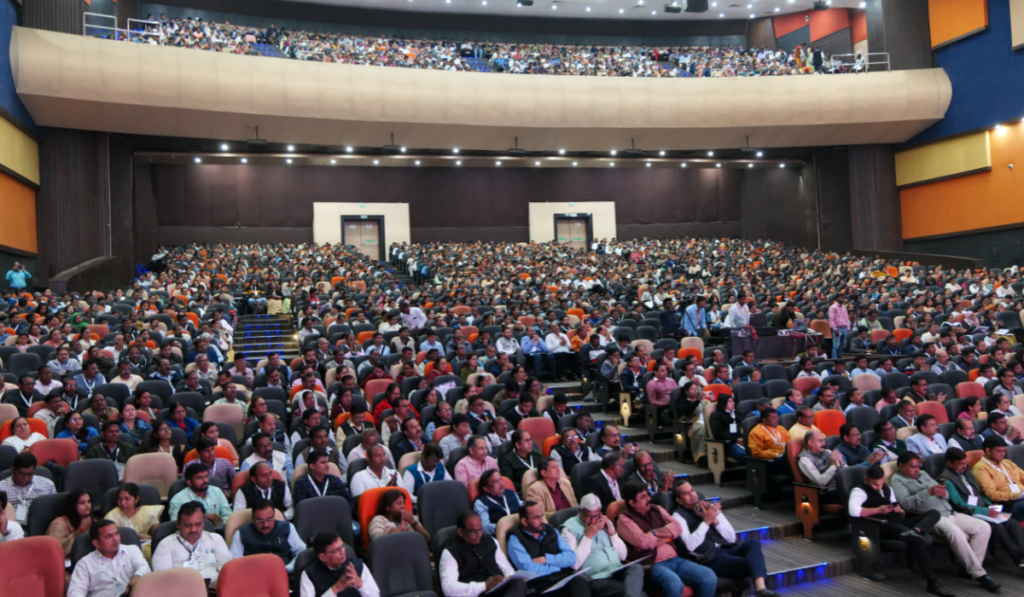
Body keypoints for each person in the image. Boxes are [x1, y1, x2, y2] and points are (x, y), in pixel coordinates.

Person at [891, 451, 999, 592]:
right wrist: (928, 493)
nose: (917, 470)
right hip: (931, 518)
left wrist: (944, 493)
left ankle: (967, 570)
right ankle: (979, 574)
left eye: (918, 466)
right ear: (901, 466)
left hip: (950, 512)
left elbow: (945, 495)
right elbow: (906, 504)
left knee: (984, 527)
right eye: (913, 467)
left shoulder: (924, 474)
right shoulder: (897, 480)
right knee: (955, 532)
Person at [848, 465, 952, 597]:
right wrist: (878, 510)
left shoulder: (887, 489)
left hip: (899, 523)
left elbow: (898, 508)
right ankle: (932, 581)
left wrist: (900, 511)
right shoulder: (859, 491)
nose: (879, 487)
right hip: (882, 526)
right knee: (917, 541)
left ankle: (915, 530)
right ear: (866, 479)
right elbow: (854, 511)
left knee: (934, 513)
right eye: (875, 484)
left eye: (881, 483)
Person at [671, 481, 779, 597]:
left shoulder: (710, 507)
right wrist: (707, 521)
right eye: (686, 493)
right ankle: (762, 591)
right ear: (679, 500)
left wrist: (715, 521)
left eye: (692, 490)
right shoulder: (677, 517)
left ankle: (760, 590)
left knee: (753, 543)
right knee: (754, 563)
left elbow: (731, 538)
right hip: (711, 558)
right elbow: (690, 545)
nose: (692, 494)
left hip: (727, 548)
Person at [617, 480, 716, 597]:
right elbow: (643, 542)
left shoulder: (656, 508)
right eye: (643, 497)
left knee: (709, 576)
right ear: (632, 503)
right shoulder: (624, 519)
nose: (649, 498)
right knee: (673, 583)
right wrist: (668, 537)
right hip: (652, 565)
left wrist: (653, 532)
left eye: (647, 494)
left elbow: (677, 527)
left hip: (675, 559)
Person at [940, 446, 1024, 568]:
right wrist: (986, 511)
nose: (964, 466)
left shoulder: (967, 472)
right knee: (998, 528)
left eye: (965, 463)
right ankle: (1019, 560)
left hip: (983, 509)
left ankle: (1023, 557)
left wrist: (990, 505)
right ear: (950, 463)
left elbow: (979, 494)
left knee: (1012, 524)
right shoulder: (946, 480)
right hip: (969, 513)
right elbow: (958, 503)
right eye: (960, 464)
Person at [506, 501, 591, 597]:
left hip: (561, 579)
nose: (542, 520)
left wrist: (546, 559)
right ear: (524, 521)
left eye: (542, 515)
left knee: (579, 582)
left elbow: (571, 558)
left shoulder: (551, 531)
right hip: (539, 585)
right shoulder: (515, 539)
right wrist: (558, 566)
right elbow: (528, 569)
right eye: (537, 517)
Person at [439, 511, 524, 597]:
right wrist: (484, 586)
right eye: (473, 532)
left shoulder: (491, 541)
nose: (479, 535)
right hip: (475, 594)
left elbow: (506, 568)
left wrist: (507, 579)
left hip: (499, 590)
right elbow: (448, 588)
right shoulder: (450, 553)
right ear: (461, 532)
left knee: (518, 582)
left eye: (480, 530)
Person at [152, 501, 233, 586]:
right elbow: (163, 580)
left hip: (215, 589)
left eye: (198, 524)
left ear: (203, 523)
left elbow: (227, 570)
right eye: (188, 525)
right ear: (178, 524)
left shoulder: (215, 539)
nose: (193, 529)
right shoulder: (166, 545)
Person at [67, 519, 150, 597]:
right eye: (108, 536)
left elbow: (144, 567)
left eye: (116, 534)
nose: (115, 539)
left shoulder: (131, 550)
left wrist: (136, 576)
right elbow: (75, 593)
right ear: (96, 543)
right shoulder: (84, 564)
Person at [229, 499, 306, 571]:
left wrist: (288, 568)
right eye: (260, 521)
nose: (265, 524)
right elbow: (234, 561)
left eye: (269, 519)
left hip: (285, 573)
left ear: (274, 515)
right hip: (254, 576)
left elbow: (301, 552)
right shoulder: (241, 533)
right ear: (253, 518)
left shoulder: (287, 527)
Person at [300, 531, 381, 597]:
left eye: (342, 546)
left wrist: (360, 583)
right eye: (337, 550)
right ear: (323, 557)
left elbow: (376, 595)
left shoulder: (358, 565)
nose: (343, 552)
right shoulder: (309, 575)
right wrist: (336, 588)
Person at [972, 435, 1024, 521]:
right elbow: (991, 494)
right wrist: (1015, 495)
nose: (1003, 454)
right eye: (999, 451)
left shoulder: (1007, 463)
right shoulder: (981, 468)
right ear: (988, 450)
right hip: (1007, 503)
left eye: (1004, 451)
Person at [105, 483, 163, 559]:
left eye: (127, 498)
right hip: (122, 549)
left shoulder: (148, 512)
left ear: (136, 499)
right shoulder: (112, 516)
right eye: (120, 499)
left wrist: (148, 537)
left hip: (147, 547)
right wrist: (135, 537)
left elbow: (158, 537)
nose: (122, 503)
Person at [0, 452, 55, 524]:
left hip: (41, 524)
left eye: (29, 474)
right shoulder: (1, 487)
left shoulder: (48, 485)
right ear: (13, 470)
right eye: (22, 474)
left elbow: (54, 509)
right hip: (11, 524)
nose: (26, 478)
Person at [796, 430, 846, 504]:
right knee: (850, 495)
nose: (824, 443)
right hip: (826, 491)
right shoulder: (804, 460)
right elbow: (820, 483)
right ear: (810, 443)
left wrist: (842, 463)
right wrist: (833, 465)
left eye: (824, 440)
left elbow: (846, 473)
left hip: (840, 484)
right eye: (820, 441)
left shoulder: (828, 452)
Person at [46, 489, 93, 557]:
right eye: (82, 503)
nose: (87, 505)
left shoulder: (91, 521)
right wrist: (81, 530)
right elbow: (54, 549)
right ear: (73, 505)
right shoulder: (59, 523)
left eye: (89, 502)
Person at [746, 409, 790, 473]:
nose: (777, 419)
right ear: (764, 420)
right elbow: (756, 452)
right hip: (771, 461)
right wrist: (776, 455)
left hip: (785, 457)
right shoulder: (756, 432)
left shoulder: (781, 428)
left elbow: (789, 443)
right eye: (773, 418)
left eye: (777, 417)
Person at [708, 394, 745, 462]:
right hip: (728, 443)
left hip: (743, 441)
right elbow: (718, 433)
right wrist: (735, 440)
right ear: (723, 403)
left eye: (733, 401)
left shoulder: (739, 414)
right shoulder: (716, 416)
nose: (733, 403)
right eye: (730, 401)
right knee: (745, 455)